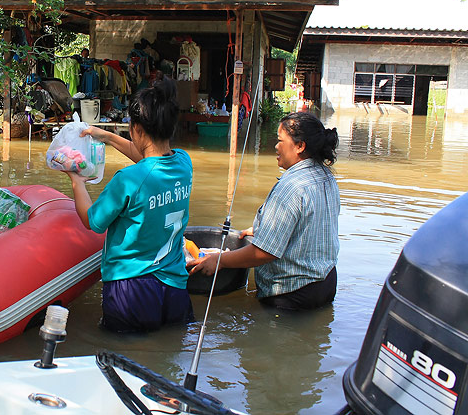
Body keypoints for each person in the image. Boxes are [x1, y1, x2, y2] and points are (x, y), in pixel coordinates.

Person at [65, 81, 194, 332]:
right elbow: (150, 161)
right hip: (175, 288)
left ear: (136, 128)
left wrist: (77, 181)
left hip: (131, 290)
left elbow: (93, 221)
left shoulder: (128, 179)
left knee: (122, 358)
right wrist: (109, 137)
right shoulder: (184, 163)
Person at [188, 112, 339, 310]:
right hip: (326, 282)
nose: (276, 146)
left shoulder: (291, 186)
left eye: (280, 141)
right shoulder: (325, 176)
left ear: (300, 146)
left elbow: (264, 253)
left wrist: (219, 260)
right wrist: (262, 228)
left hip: (292, 292)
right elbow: (310, 226)